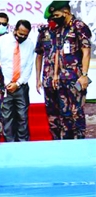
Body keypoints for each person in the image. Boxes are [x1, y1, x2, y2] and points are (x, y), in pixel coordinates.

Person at [49, 1, 92, 139]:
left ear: (66, 12)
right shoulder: (59, 29)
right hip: (62, 78)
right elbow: (57, 53)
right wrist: (55, 74)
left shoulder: (79, 27)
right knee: (64, 114)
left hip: (75, 77)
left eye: (57, 15)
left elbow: (86, 51)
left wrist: (84, 75)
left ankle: (80, 143)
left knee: (76, 112)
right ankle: (67, 144)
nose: (55, 18)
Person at [0, 20, 35, 142]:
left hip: (21, 86)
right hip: (4, 86)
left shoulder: (30, 44)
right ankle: (9, 144)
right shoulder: (1, 41)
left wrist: (18, 83)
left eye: (25, 35)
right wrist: (6, 83)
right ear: (14, 30)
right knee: (7, 117)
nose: (22, 37)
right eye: (20, 34)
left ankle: (23, 145)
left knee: (22, 117)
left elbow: (29, 66)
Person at [35, 5, 62, 140]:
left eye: (53, 19)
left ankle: (68, 140)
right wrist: (38, 79)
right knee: (51, 113)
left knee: (66, 112)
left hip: (63, 79)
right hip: (47, 79)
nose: (51, 22)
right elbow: (39, 56)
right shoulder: (43, 32)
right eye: (49, 19)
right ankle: (56, 140)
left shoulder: (64, 31)